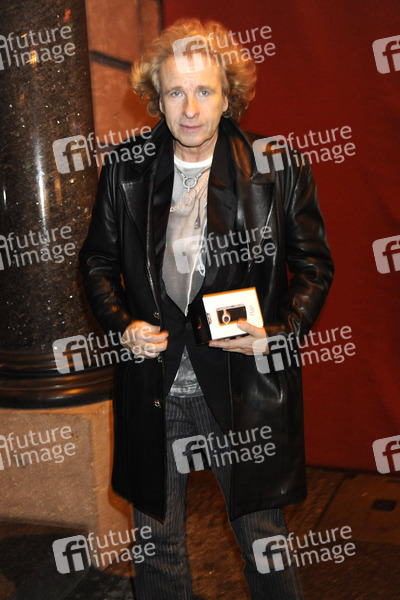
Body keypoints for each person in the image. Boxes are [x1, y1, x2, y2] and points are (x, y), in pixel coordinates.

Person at [79, 18, 334, 600]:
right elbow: (96, 263)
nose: (190, 108)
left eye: (204, 91)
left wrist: (278, 334)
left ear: (228, 96)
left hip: (242, 383)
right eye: (175, 91)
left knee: (262, 540)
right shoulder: (126, 168)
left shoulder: (275, 165)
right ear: (156, 97)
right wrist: (122, 325)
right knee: (156, 543)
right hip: (154, 383)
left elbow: (314, 266)